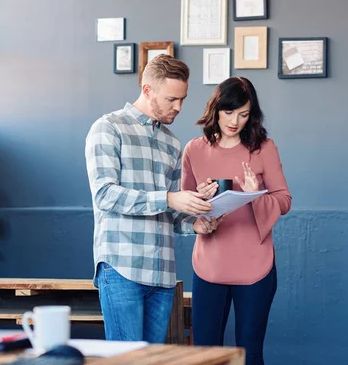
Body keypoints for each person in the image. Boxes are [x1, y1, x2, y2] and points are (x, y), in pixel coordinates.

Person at [85, 54, 219, 343]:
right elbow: (105, 195)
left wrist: (195, 221)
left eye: (182, 99)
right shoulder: (108, 128)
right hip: (122, 268)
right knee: (125, 362)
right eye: (172, 99)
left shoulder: (171, 142)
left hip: (162, 276)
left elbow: (170, 212)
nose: (179, 107)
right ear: (147, 90)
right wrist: (170, 199)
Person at [181, 76, 291, 365]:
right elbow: (184, 206)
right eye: (229, 113)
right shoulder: (193, 149)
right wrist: (200, 201)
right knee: (205, 354)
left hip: (255, 264)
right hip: (209, 264)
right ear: (216, 109)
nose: (235, 121)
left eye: (243, 114)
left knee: (249, 353)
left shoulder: (263, 147)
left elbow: (284, 200)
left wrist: (256, 194)